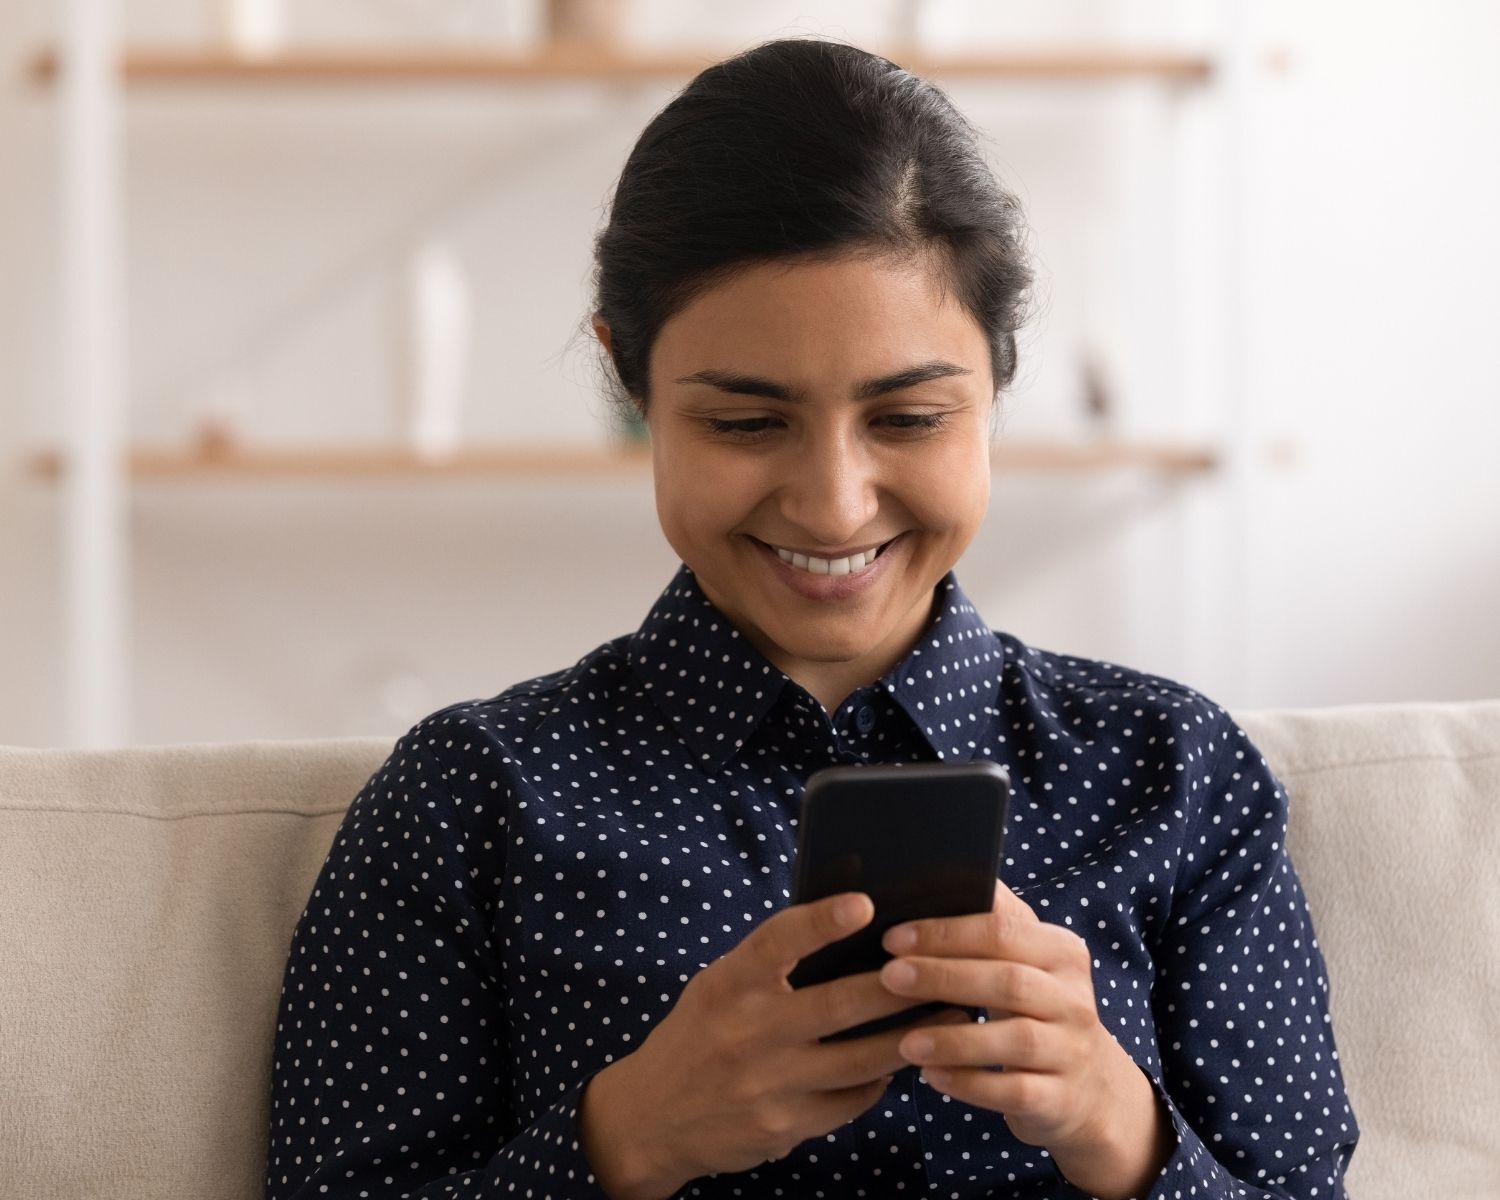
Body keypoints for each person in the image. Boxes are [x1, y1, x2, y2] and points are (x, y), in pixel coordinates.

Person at [265, 36, 1358, 1200]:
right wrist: (628, 1139)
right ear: (630, 382)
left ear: (997, 382)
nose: (834, 504)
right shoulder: (472, 797)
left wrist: (1114, 1120)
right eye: (746, 424)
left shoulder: (1173, 774)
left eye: (909, 419)